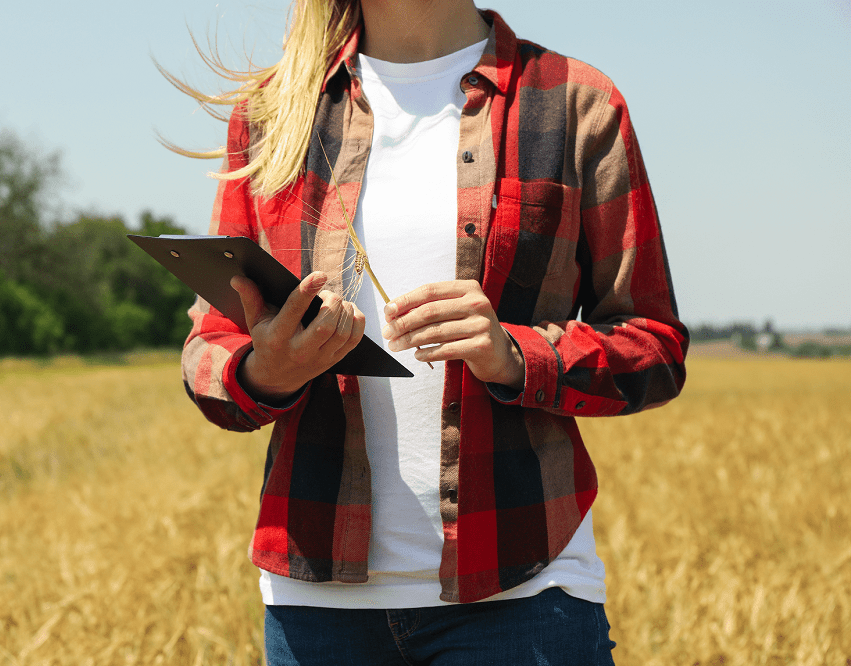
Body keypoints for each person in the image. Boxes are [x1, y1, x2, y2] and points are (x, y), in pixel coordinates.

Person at [173, 0, 688, 663]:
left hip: (522, 595)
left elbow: (654, 343)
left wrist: (516, 355)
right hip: (316, 613)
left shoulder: (575, 102)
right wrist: (262, 373)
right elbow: (208, 347)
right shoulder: (275, 113)